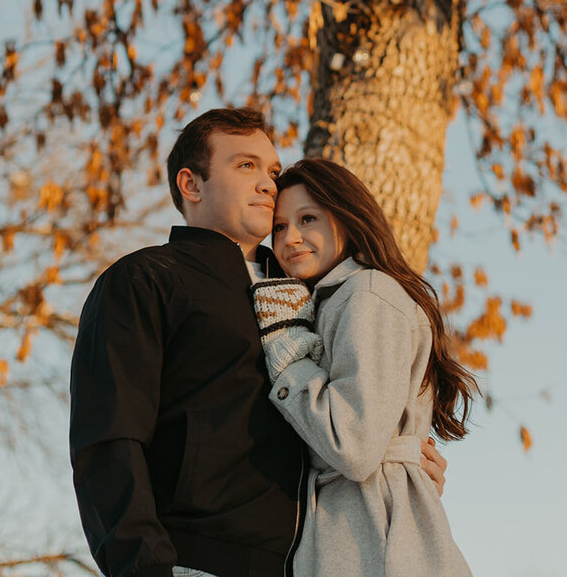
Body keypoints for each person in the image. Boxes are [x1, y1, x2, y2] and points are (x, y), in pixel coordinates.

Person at [69, 107, 448, 577]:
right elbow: (108, 441)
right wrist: (146, 568)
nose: (269, 182)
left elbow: (353, 418)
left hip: (317, 562)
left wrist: (405, 460)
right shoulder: (144, 280)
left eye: (271, 170)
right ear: (191, 185)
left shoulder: (315, 293)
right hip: (195, 561)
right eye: (245, 165)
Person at [252, 157, 478, 577]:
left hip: (372, 537)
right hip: (357, 528)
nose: (291, 238)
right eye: (279, 227)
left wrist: (288, 356)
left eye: (308, 218)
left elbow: (354, 447)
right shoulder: (331, 301)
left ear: (347, 219)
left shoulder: (367, 293)